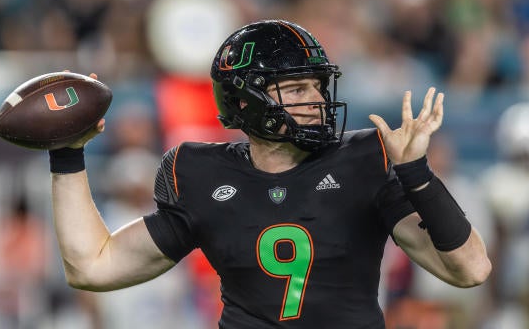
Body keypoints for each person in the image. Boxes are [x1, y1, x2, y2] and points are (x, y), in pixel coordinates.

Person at [48, 20, 491, 328]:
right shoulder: (202, 175)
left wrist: (416, 173)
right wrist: (68, 156)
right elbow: (93, 266)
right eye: (297, 88)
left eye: (317, 86)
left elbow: (470, 268)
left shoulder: (362, 162)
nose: (316, 100)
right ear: (245, 101)